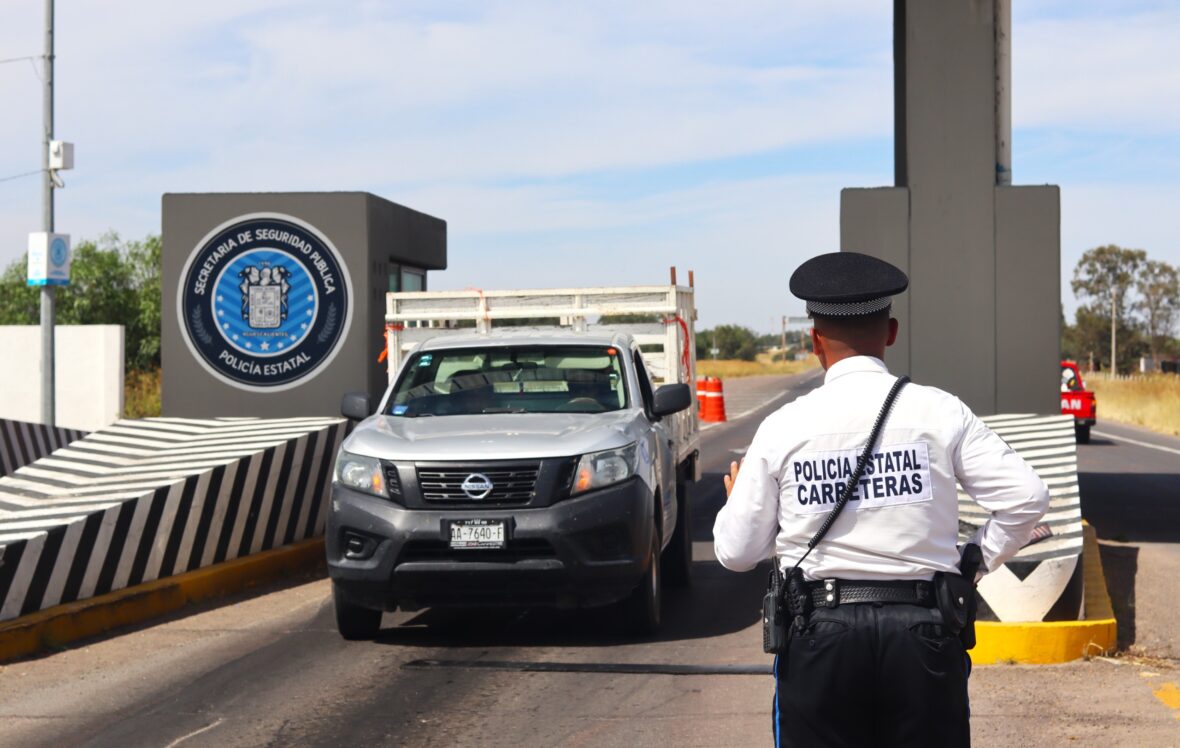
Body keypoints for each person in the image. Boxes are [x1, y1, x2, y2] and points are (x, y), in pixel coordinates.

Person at [713, 252, 1050, 747]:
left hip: (819, 640)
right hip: (925, 637)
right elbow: (1028, 498)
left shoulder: (783, 427)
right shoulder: (940, 412)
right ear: (891, 332)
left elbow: (737, 553)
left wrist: (738, 504)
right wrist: (973, 561)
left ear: (814, 341)